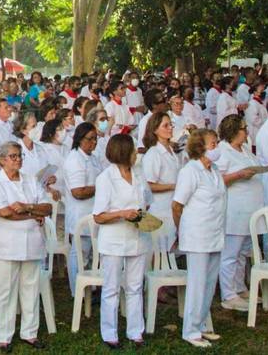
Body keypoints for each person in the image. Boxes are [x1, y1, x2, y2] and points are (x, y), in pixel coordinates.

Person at [0, 141, 52, 352]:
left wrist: (28, 207)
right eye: (13, 156)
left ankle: (29, 333)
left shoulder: (30, 180)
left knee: (30, 288)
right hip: (6, 243)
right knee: (5, 290)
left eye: (20, 155)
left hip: (31, 241)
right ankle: (3, 336)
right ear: (2, 160)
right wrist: (33, 215)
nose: (18, 159)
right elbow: (4, 212)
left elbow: (48, 207)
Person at [93, 134, 152, 349]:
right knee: (112, 287)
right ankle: (110, 333)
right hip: (114, 239)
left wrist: (141, 214)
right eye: (133, 150)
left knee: (135, 286)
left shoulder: (138, 173)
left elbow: (148, 200)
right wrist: (122, 214)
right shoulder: (106, 178)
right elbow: (99, 215)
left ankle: (136, 331)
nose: (136, 153)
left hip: (138, 237)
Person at [172, 129, 226, 348]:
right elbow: (177, 205)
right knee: (197, 282)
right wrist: (181, 230)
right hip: (197, 234)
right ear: (200, 147)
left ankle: (202, 324)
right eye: (213, 144)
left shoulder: (215, 170)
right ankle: (191, 330)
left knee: (210, 281)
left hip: (214, 231)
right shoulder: (190, 171)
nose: (217, 147)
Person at [215, 115, 265, 312]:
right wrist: (238, 175)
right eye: (244, 128)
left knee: (243, 251)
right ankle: (228, 294)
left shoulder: (245, 150)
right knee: (230, 253)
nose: (247, 131)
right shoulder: (222, 152)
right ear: (234, 131)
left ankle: (239, 286)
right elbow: (216, 180)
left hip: (251, 208)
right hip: (234, 209)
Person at [62, 123, 102, 295]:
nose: (94, 142)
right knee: (79, 254)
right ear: (80, 139)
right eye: (90, 139)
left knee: (92, 254)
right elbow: (78, 192)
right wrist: (101, 187)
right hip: (81, 213)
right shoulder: (74, 160)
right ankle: (76, 291)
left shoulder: (92, 157)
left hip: (93, 212)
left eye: (95, 139)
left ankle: (91, 288)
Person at [141, 112, 181, 249]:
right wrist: (173, 186)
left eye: (171, 125)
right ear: (155, 130)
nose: (170, 128)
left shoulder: (171, 150)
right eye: (165, 125)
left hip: (172, 207)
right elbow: (148, 185)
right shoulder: (153, 154)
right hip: (160, 210)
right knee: (159, 252)